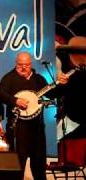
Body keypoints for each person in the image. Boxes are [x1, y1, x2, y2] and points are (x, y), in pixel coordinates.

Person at [0, 51, 67, 180]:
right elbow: (1, 94)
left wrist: (62, 85)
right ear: (16, 63)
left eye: (27, 65)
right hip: (18, 127)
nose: (23, 67)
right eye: (20, 65)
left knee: (39, 163)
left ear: (31, 64)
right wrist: (15, 101)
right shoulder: (9, 78)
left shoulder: (38, 79)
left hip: (37, 127)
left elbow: (52, 93)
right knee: (18, 163)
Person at [55, 36, 86, 166]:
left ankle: (66, 162)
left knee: (59, 135)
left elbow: (55, 93)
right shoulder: (74, 75)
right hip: (77, 121)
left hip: (76, 122)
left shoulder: (74, 76)